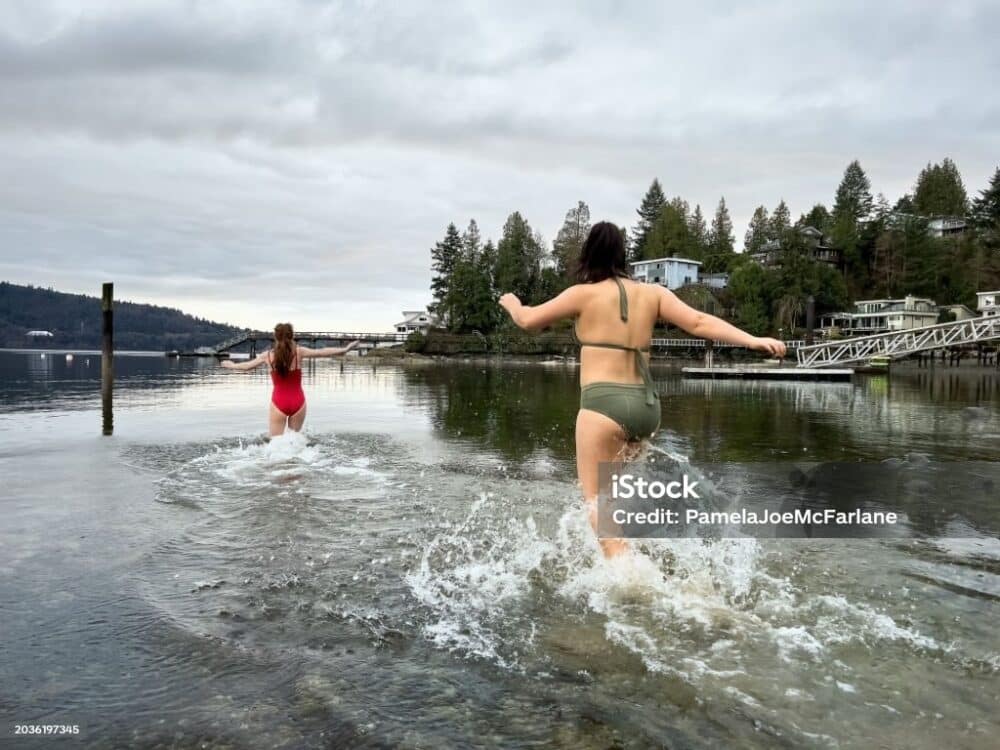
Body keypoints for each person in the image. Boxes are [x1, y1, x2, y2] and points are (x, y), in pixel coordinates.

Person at [499, 222, 786, 556]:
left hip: (602, 407)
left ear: (588, 255)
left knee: (596, 503)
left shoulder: (583, 294)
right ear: (623, 255)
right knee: (615, 498)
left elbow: (529, 320)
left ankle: (631, 580)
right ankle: (630, 554)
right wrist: (753, 340)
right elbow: (699, 323)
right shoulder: (654, 294)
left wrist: (513, 303)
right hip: (646, 409)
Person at [220, 323, 360, 436]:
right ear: (292, 336)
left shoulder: (267, 356)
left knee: (276, 446)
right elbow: (322, 352)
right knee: (293, 444)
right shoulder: (299, 352)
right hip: (298, 403)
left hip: (278, 403)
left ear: (276, 337)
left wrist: (231, 365)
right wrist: (346, 349)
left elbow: (246, 367)